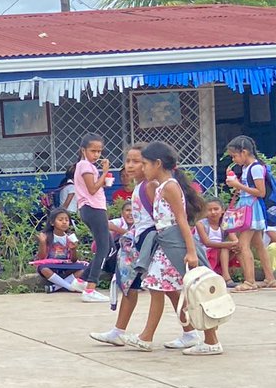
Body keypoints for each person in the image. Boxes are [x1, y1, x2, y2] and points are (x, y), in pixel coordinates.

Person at [122, 142, 220, 355]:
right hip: (164, 245)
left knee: (195, 292)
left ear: (157, 164)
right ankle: (146, 337)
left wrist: (191, 251)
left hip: (175, 245)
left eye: (145, 164)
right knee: (157, 288)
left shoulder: (170, 187)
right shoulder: (160, 187)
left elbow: (182, 220)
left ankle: (212, 341)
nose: (143, 168)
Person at [224, 135, 275, 291]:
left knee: (243, 244)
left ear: (244, 152)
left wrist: (238, 184)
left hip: (252, 210)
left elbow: (260, 192)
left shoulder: (256, 168)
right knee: (258, 244)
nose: (234, 159)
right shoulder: (247, 168)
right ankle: (269, 278)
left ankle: (250, 281)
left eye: (234, 156)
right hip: (249, 208)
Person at [74, 134, 113, 302]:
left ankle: (82, 280)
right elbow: (92, 189)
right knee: (104, 248)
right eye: (93, 151)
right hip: (93, 208)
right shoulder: (85, 166)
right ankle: (90, 289)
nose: (97, 155)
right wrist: (105, 173)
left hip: (92, 208)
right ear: (83, 150)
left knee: (110, 246)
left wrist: (103, 179)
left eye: (99, 151)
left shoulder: (87, 166)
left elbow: (94, 187)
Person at [31, 208, 87, 293]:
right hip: (51, 266)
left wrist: (73, 249)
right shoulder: (46, 236)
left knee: (84, 269)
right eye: (60, 220)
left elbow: (73, 260)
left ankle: (55, 287)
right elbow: (41, 258)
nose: (64, 222)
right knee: (43, 268)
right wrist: (42, 243)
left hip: (65, 266)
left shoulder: (70, 237)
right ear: (52, 223)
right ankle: (70, 287)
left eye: (66, 220)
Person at [196, 198, 238, 283]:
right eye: (209, 210)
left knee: (237, 249)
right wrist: (227, 244)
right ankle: (226, 277)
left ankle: (248, 277)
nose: (213, 212)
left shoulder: (225, 223)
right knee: (225, 248)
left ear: (222, 210)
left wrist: (235, 244)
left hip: (219, 252)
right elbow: (206, 243)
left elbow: (234, 238)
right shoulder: (201, 224)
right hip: (205, 253)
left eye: (216, 209)